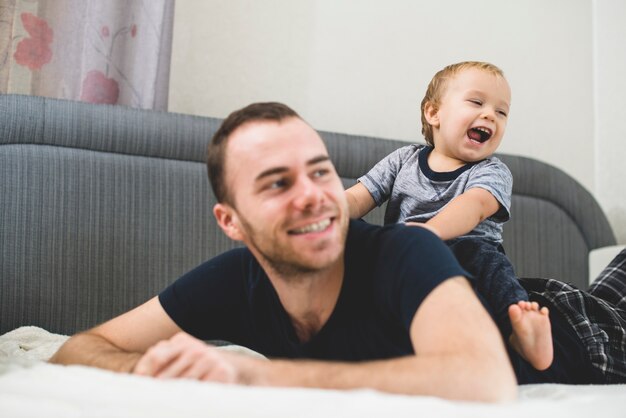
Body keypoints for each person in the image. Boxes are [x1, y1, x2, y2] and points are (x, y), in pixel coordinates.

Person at [49, 102, 518, 403]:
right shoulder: (235, 280)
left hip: (575, 334)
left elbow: (486, 380)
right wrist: (145, 368)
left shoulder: (406, 251)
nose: (314, 195)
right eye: (277, 183)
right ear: (231, 221)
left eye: (320, 172)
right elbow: (80, 348)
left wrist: (252, 377)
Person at [345, 61, 553, 370]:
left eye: (501, 112)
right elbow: (358, 197)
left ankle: (519, 330)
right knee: (350, 234)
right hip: (403, 256)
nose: (489, 115)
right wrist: (329, 217)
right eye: (476, 102)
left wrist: (429, 233)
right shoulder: (404, 159)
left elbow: (475, 205)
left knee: (490, 264)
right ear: (434, 113)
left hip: (463, 252)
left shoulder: (492, 170)